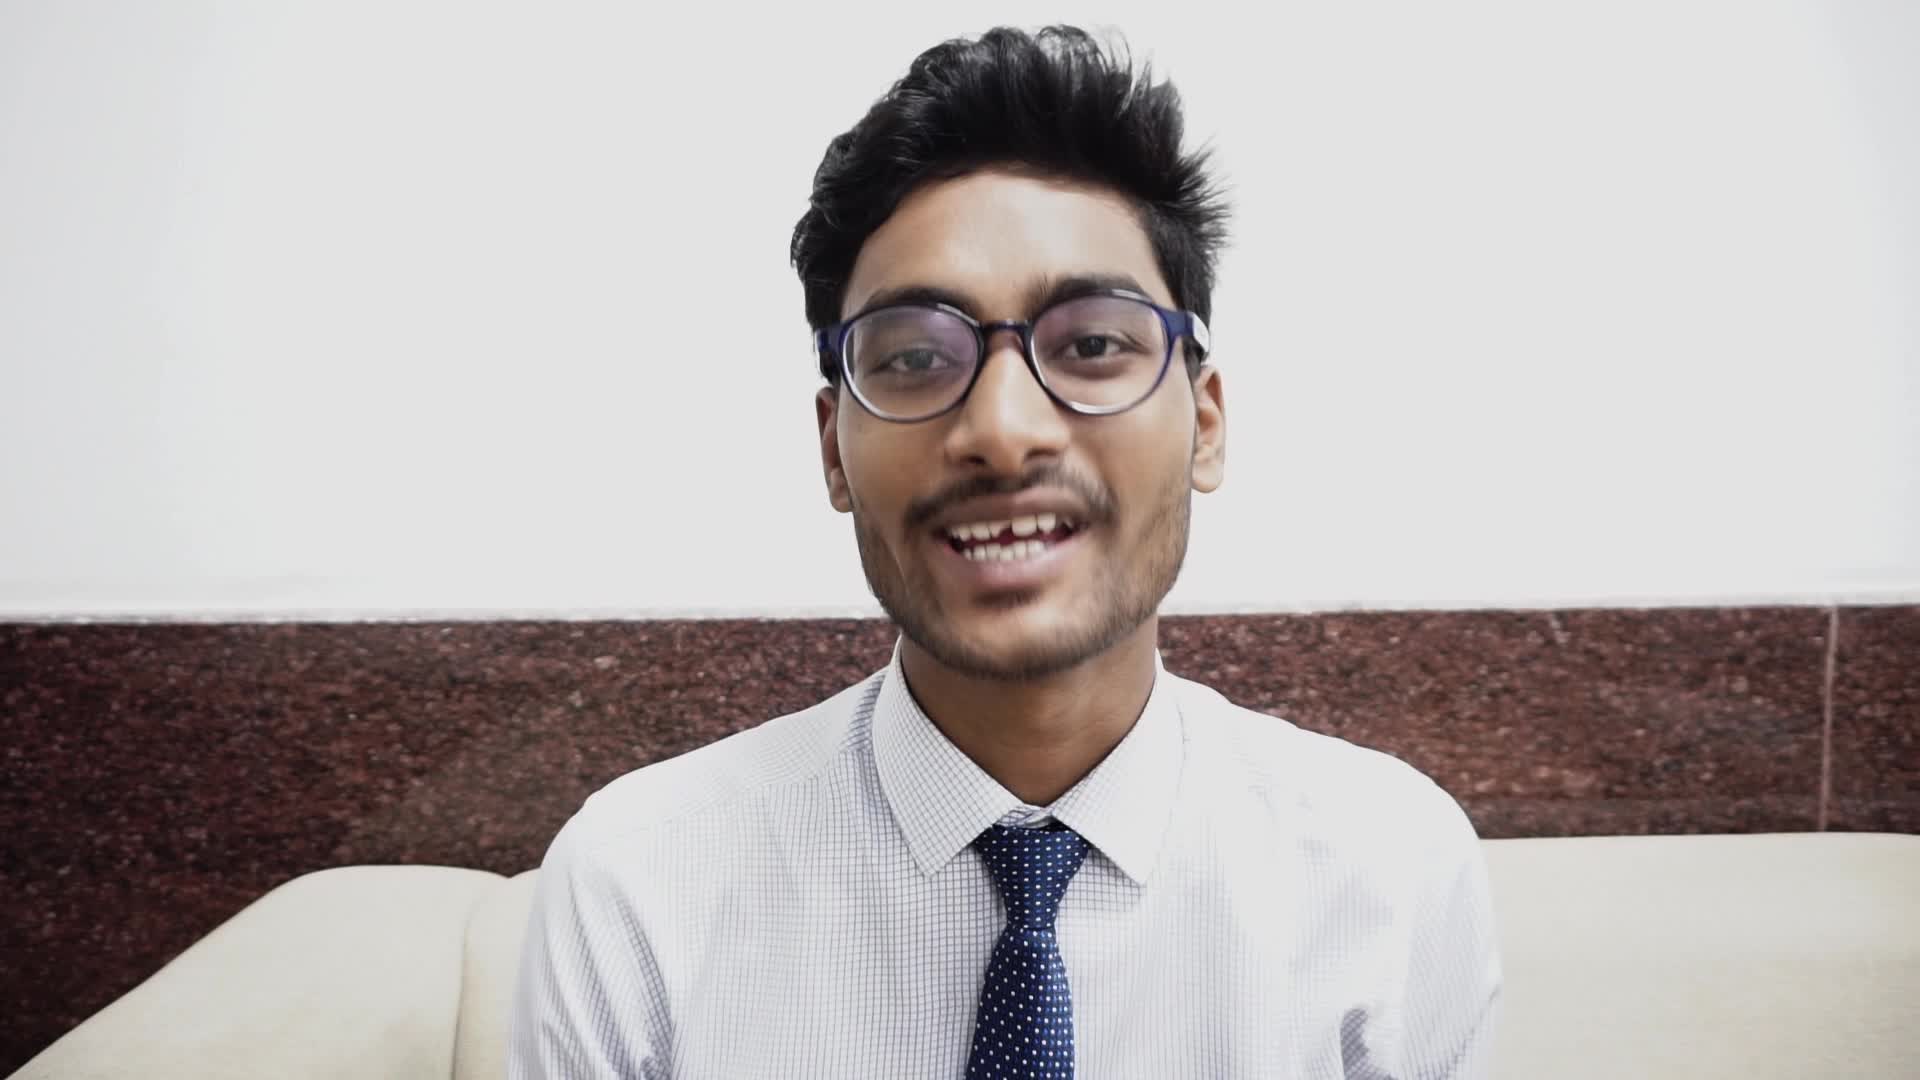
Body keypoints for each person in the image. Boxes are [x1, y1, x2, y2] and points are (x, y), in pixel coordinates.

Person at [509, 24, 1500, 1078]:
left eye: (1092, 344)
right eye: (913, 358)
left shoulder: (1387, 872)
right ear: (833, 450)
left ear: (1205, 422)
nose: (1003, 429)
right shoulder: (638, 889)